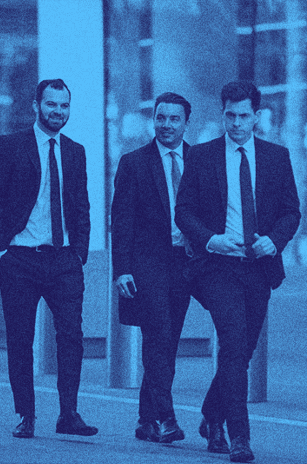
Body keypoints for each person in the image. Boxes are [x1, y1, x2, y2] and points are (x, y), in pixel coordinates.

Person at [174, 81, 300, 462]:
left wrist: (274, 241)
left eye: (244, 116)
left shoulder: (277, 157)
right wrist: (211, 239)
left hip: (258, 267)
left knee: (242, 350)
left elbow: (291, 211)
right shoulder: (202, 156)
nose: (237, 123)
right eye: (230, 115)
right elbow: (184, 211)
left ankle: (212, 415)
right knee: (231, 340)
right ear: (222, 113)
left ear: (257, 116)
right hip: (217, 266)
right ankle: (239, 435)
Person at [0, 79, 96, 439]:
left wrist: (79, 251)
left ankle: (69, 413)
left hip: (63, 260)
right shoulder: (11, 145)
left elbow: (81, 206)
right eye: (51, 105)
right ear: (36, 105)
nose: (57, 112)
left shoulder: (75, 152)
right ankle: (26, 415)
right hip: (19, 258)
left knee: (72, 337)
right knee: (21, 339)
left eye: (64, 106)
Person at [111, 92, 192, 443]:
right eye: (161, 117)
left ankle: (146, 419)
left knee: (168, 342)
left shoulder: (199, 160)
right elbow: (122, 220)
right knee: (157, 334)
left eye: (174, 119)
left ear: (185, 122)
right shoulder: (134, 163)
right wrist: (122, 269)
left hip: (185, 262)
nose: (167, 125)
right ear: (153, 120)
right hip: (148, 263)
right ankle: (167, 417)